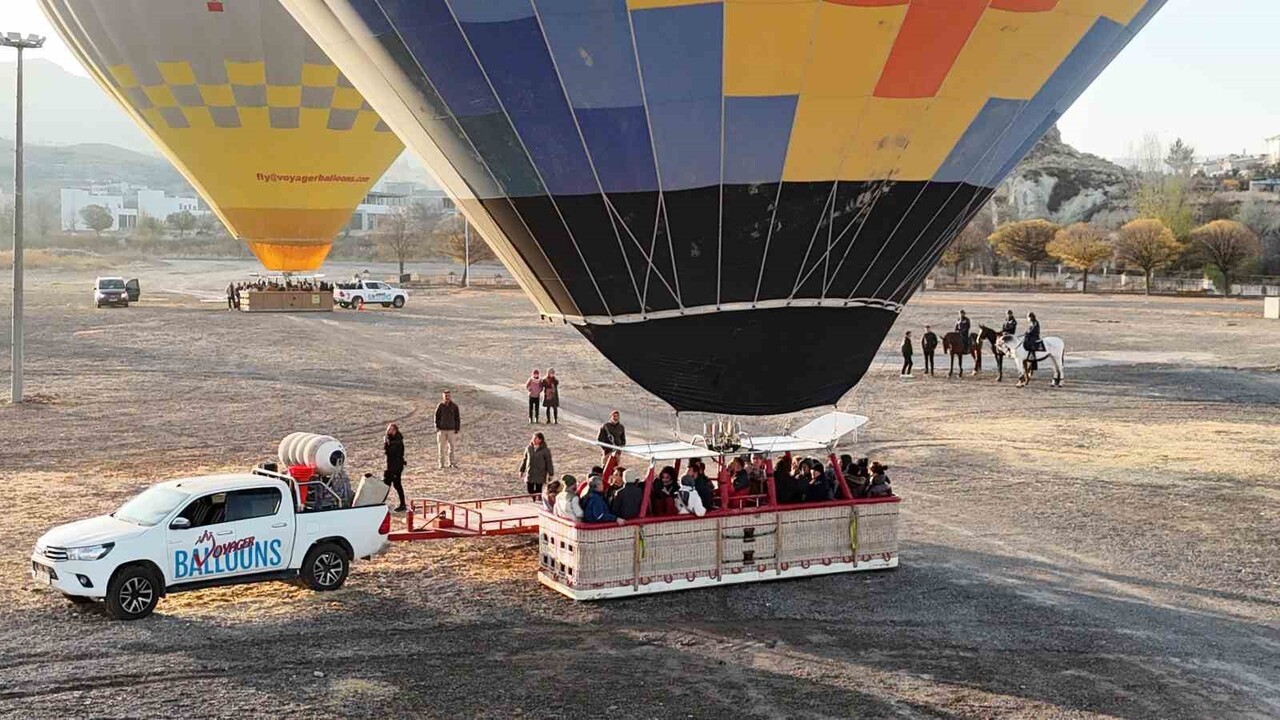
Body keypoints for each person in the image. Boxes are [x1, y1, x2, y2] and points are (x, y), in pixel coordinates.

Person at [383, 423, 407, 513]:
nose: (388, 431)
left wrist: (386, 443)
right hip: (391, 466)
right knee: (387, 485)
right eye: (388, 430)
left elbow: (390, 452)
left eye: (391, 430)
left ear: (395, 431)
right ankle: (402, 504)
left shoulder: (398, 441)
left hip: (396, 467)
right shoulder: (392, 440)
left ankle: (403, 504)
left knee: (395, 485)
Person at [434, 390, 461, 469]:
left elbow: (457, 418)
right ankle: (441, 464)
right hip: (442, 430)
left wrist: (457, 428)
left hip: (451, 430)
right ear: (443, 397)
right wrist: (437, 427)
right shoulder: (440, 406)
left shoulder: (454, 406)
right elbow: (436, 417)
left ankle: (452, 463)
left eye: (448, 396)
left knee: (452, 447)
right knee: (441, 448)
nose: (447, 397)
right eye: (446, 396)